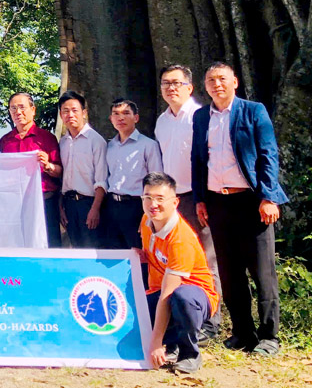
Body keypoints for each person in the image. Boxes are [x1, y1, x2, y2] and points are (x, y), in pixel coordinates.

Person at [193, 62, 289, 356]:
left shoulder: (252, 110)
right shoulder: (200, 117)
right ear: (205, 86)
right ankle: (242, 332)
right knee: (230, 272)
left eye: (222, 78)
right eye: (211, 80)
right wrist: (200, 199)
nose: (216, 84)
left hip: (251, 201)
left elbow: (268, 154)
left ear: (235, 81)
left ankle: (269, 336)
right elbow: (198, 160)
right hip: (217, 203)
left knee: (262, 272)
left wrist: (269, 196)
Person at [154, 63, 221, 339]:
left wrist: (203, 197)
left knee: (207, 259)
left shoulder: (200, 116)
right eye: (166, 84)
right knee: (173, 260)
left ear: (190, 87)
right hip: (171, 201)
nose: (171, 88)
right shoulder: (161, 121)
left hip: (197, 197)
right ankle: (182, 320)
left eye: (176, 83)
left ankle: (211, 322)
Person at [140, 172, 218, 374]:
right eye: (148, 197)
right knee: (131, 307)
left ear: (175, 202)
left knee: (180, 298)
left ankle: (189, 354)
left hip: (194, 296)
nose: (152, 204)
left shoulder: (180, 238)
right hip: (161, 291)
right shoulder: (146, 221)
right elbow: (155, 255)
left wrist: (156, 342)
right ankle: (171, 344)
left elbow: (168, 293)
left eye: (159, 199)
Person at [0, 91, 62, 248]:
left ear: (33, 110)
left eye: (22, 107)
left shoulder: (47, 138)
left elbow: (60, 172)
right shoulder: (5, 141)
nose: (18, 112)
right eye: (13, 108)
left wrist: (47, 166)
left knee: (50, 246)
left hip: (44, 202)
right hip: (16, 204)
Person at [102, 99, 163, 251]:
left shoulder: (148, 145)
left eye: (126, 113)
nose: (120, 118)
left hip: (136, 206)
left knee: (138, 252)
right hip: (112, 205)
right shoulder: (109, 146)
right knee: (114, 253)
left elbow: (157, 180)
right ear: (111, 119)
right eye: (116, 114)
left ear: (136, 117)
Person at [57, 90, 107, 248]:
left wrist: (95, 209)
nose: (70, 114)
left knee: (92, 250)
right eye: (65, 111)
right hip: (69, 205)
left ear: (84, 113)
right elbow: (61, 178)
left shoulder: (96, 141)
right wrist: (61, 208)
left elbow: (102, 179)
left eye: (74, 110)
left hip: (89, 204)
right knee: (76, 250)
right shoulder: (63, 143)